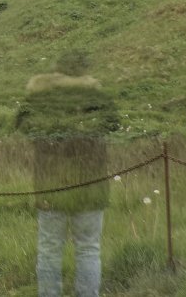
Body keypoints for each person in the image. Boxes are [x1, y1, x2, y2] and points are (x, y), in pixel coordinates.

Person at [17, 52, 118, 297]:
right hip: (91, 185)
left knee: (49, 249)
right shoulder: (96, 95)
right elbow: (114, 124)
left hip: (52, 185)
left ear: (57, 70)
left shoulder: (40, 97)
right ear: (83, 70)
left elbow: (21, 125)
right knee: (88, 248)